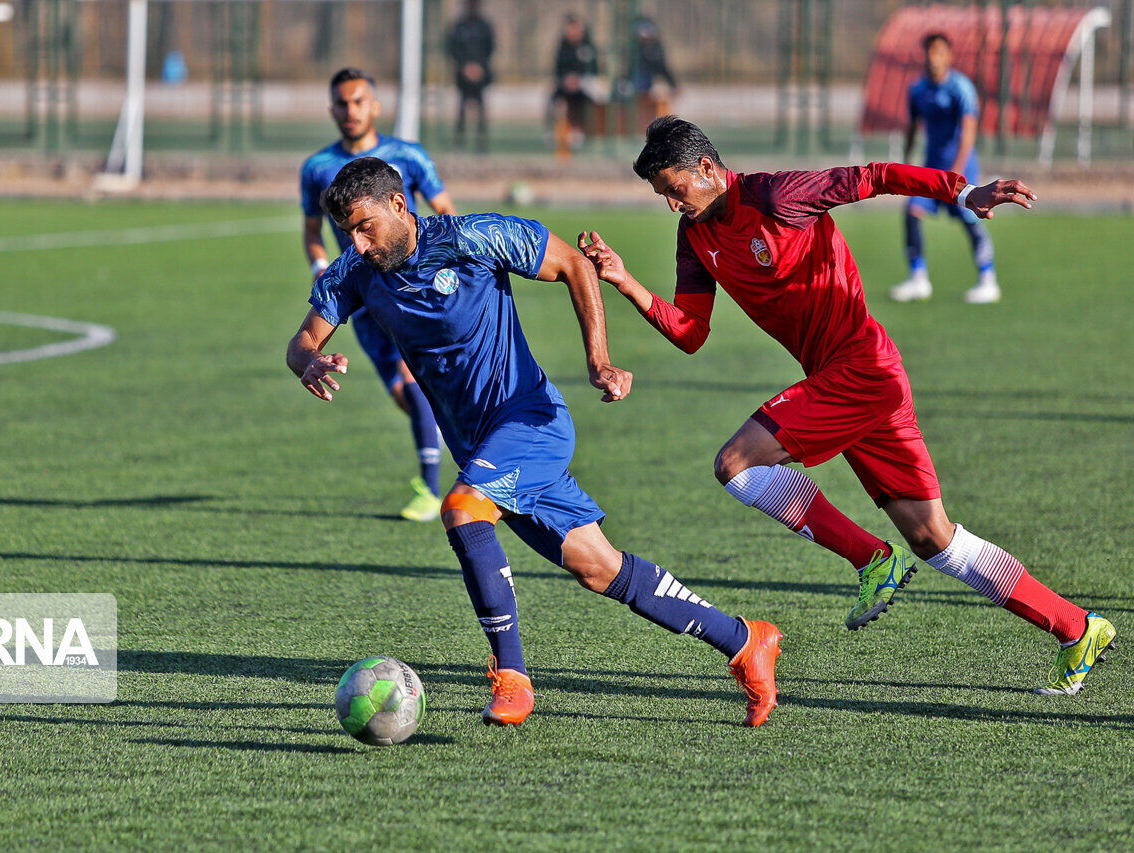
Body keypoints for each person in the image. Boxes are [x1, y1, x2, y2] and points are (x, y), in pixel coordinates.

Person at [580, 116, 1114, 696]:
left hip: (860, 368)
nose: (671, 205)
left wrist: (963, 192)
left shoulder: (778, 195)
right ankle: (1075, 626)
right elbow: (691, 332)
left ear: (707, 168)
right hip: (850, 381)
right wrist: (626, 281)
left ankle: (870, 558)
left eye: (674, 190)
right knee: (933, 537)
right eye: (662, 196)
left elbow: (876, 175)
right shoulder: (695, 237)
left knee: (736, 463)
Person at [287, 156, 782, 727]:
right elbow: (300, 341)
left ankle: (512, 676)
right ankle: (746, 641)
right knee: (600, 568)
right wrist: (308, 361)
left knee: (464, 510)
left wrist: (599, 361)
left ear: (400, 205)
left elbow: (573, 263)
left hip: (531, 421)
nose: (357, 241)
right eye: (346, 231)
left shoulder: (473, 236)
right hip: (481, 448)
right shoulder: (354, 272)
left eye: (364, 225)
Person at [300, 68, 457, 522]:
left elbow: (445, 210)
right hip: (358, 289)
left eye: (358, 101)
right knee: (400, 392)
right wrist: (322, 271)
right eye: (342, 104)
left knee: (412, 375)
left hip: (408, 284)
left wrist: (449, 262)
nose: (350, 111)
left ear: (375, 106)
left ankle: (431, 490)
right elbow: (312, 231)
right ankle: (440, 427)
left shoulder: (407, 156)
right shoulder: (317, 168)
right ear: (332, 110)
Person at [894, 32, 999, 304]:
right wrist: (902, 165)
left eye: (939, 51)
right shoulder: (917, 90)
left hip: (961, 170)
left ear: (949, 56)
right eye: (929, 51)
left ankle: (988, 279)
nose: (933, 57)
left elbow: (968, 134)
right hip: (931, 171)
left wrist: (957, 173)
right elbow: (912, 129)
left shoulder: (961, 88)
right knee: (912, 212)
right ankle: (918, 278)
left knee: (971, 219)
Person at [446, 0, 495, 151]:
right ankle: (459, 142)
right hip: (463, 75)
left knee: (481, 108)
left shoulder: (485, 27)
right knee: (461, 108)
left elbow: (490, 48)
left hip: (481, 75)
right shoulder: (458, 27)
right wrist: (465, 66)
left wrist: (479, 67)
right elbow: (451, 48)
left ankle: (481, 143)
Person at [550, 13, 602, 156]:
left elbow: (594, 70)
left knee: (584, 100)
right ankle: (556, 132)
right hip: (566, 85)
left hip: (584, 85)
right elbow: (558, 70)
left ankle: (580, 129)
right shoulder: (562, 47)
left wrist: (579, 80)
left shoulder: (588, 47)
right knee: (556, 100)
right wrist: (566, 80)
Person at [628, 17, 677, 130]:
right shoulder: (633, 48)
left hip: (647, 83)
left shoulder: (655, 48)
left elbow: (662, 68)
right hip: (633, 84)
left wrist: (673, 85)